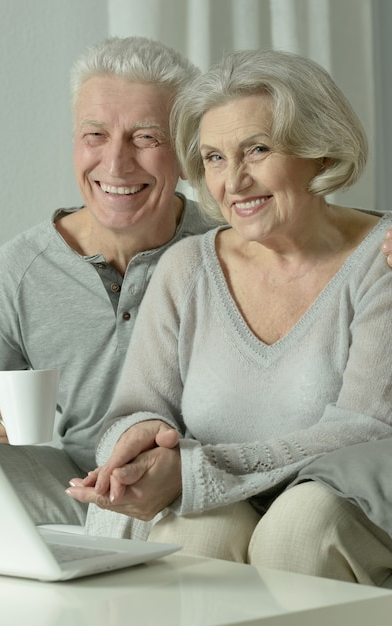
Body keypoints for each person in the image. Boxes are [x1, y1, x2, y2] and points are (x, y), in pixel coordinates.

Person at [67, 49, 392, 586]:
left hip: (345, 501)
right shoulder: (188, 266)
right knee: (197, 530)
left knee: (298, 526)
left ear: (319, 150)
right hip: (225, 498)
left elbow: (366, 428)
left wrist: (196, 472)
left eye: (257, 150)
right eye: (215, 158)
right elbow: (136, 409)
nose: (234, 181)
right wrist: (141, 441)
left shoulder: (382, 258)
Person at [0, 36, 213, 525]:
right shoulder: (22, 267)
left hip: (183, 488)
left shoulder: (226, 249)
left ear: (186, 151)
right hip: (73, 492)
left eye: (146, 137)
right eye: (96, 135)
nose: (116, 163)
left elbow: (327, 229)